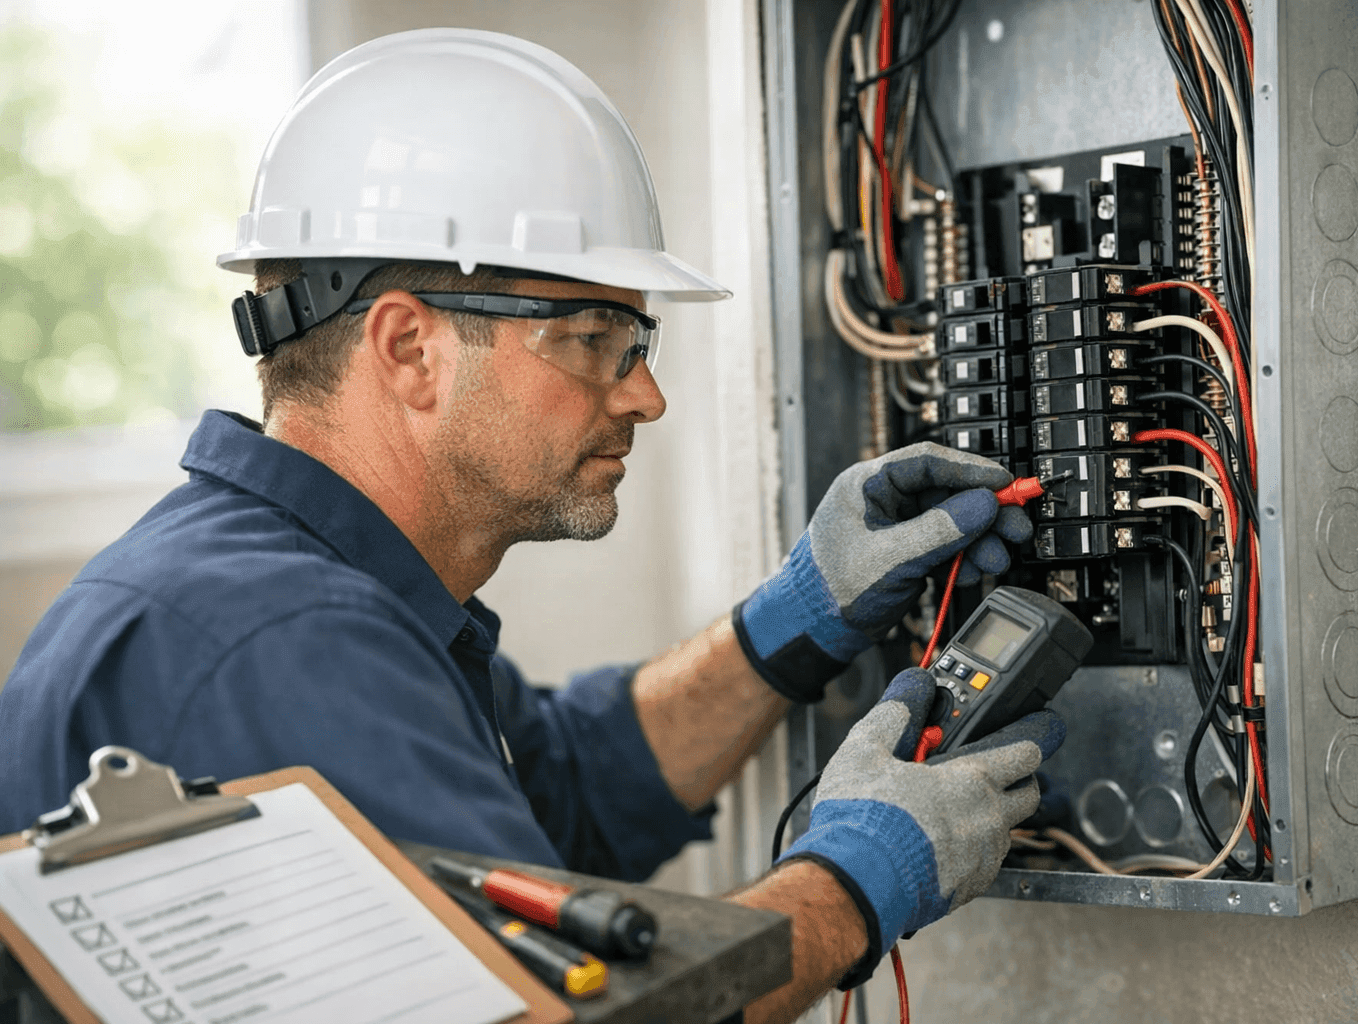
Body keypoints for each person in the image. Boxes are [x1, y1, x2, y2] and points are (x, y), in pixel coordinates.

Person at [0, 30, 1062, 1022]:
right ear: (410, 350)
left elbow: (564, 787)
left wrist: (795, 618)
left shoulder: (309, 591)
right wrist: (852, 883)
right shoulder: (281, 643)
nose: (646, 395)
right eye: (596, 337)